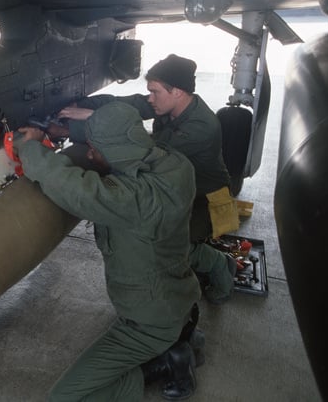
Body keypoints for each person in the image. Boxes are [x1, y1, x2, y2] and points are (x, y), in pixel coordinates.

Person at [15, 101, 202, 401]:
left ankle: (160, 365)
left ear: (117, 150)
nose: (89, 154)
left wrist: (32, 149)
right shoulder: (175, 164)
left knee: (64, 397)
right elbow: (119, 131)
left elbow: (76, 189)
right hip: (179, 299)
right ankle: (179, 341)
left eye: (94, 149)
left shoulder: (135, 199)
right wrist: (64, 130)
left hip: (148, 323)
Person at [52, 54, 238, 305]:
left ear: (178, 92)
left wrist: (74, 128)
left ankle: (220, 265)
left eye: (154, 92)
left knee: (165, 242)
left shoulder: (202, 126)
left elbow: (142, 151)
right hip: (177, 188)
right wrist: (84, 105)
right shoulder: (167, 103)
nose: (150, 98)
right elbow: (124, 104)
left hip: (206, 200)